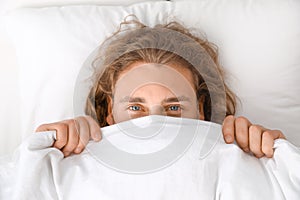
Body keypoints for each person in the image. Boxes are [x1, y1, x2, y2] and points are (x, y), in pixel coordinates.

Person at [36, 17, 285, 159]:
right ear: (110, 112)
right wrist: (44, 152)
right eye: (135, 107)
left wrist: (275, 157)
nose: (154, 124)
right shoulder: (73, 159)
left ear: (200, 109)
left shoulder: (233, 155)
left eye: (174, 107)